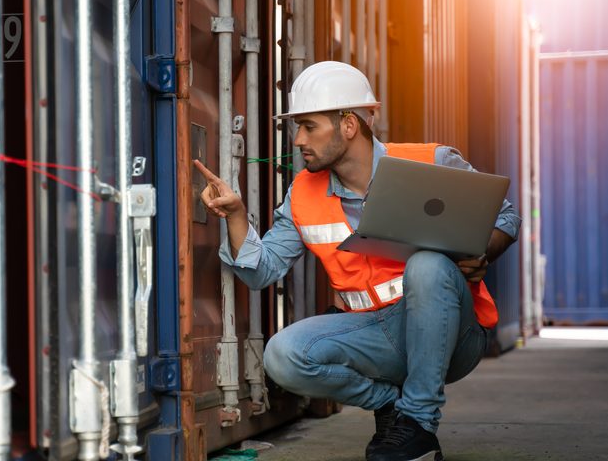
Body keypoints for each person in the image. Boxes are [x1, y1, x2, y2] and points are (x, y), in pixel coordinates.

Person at [194, 61, 520, 461]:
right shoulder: (303, 194)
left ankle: (418, 424)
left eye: (309, 126)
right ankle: (390, 405)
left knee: (429, 265)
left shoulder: (430, 161)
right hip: (374, 335)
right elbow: (263, 271)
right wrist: (237, 216)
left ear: (348, 125)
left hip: (454, 336)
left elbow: (506, 217)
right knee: (283, 355)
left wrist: (480, 250)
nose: (298, 139)